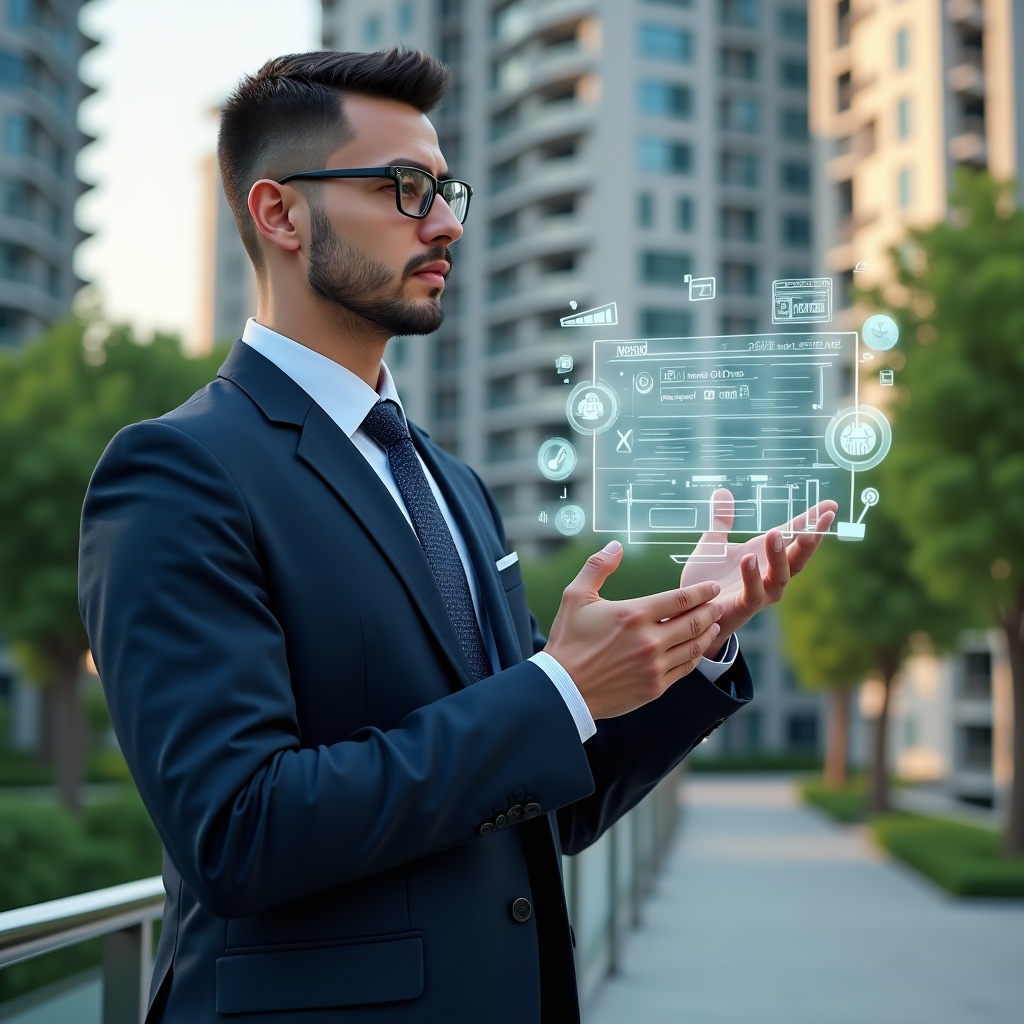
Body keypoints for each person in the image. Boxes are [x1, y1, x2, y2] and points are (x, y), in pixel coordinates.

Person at [79, 48, 835, 1024]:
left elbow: (549, 796)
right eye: (403, 188)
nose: (445, 223)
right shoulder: (179, 471)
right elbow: (237, 829)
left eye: (446, 190)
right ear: (280, 214)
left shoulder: (451, 483)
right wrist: (557, 688)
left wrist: (695, 639)